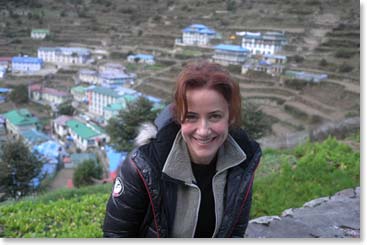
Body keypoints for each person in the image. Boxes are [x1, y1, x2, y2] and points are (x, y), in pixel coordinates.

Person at [102, 60, 262, 238]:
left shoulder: (242, 161)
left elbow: (235, 230)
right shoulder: (144, 166)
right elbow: (116, 235)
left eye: (215, 116)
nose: (203, 131)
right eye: (191, 117)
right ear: (179, 118)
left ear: (230, 117)